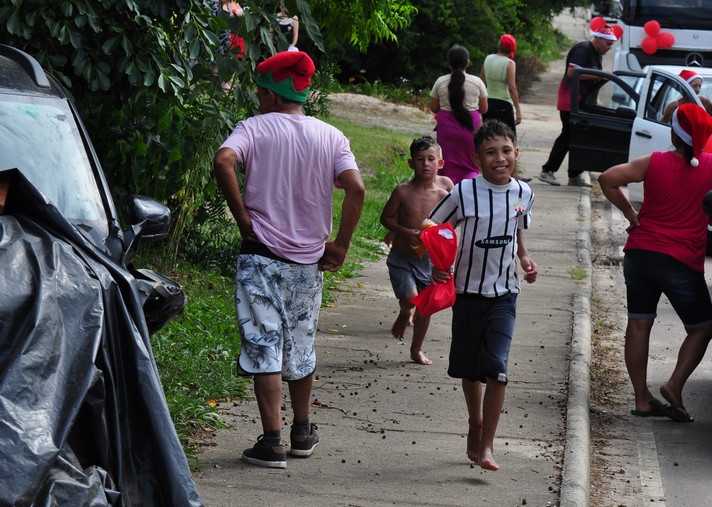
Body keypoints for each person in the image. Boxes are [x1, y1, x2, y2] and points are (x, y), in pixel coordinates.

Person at [213, 51, 366, 469]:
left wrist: (243, 217)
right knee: (299, 344)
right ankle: (302, 430)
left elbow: (224, 161)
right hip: (307, 263)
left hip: (261, 255)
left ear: (269, 94)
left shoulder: (253, 128)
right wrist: (342, 245)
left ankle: (272, 441)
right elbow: (357, 190)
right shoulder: (331, 137)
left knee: (265, 344)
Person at [597, 104, 712, 421]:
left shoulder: (653, 162)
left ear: (673, 133)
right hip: (679, 261)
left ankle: (641, 398)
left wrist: (630, 214)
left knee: (639, 323)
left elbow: (608, 178)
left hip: (640, 253)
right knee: (703, 326)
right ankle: (674, 385)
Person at [427, 119, 538, 471]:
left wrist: (525, 257)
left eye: (506, 151)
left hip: (505, 293)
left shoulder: (524, 193)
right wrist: (437, 264)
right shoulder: (463, 193)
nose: (500, 158)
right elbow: (433, 227)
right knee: (470, 371)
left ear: (516, 153)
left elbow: (518, 230)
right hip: (468, 293)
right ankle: (475, 422)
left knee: (497, 368)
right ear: (477, 160)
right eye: (491, 152)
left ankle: (488, 444)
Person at [379, 135, 452, 365]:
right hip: (402, 258)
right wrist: (402, 231)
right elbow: (386, 218)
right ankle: (404, 312)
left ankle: (416, 349)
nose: (426, 164)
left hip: (429, 262)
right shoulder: (403, 191)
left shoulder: (445, 191)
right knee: (413, 299)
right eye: (420, 159)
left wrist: (446, 256)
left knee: (426, 308)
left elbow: (451, 226)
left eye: (431, 159)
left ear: (440, 163)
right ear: (411, 163)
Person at [537, 25, 618, 187]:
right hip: (570, 100)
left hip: (581, 101)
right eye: (608, 44)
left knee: (578, 137)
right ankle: (547, 170)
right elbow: (571, 73)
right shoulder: (583, 50)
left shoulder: (597, 54)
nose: (610, 48)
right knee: (568, 136)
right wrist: (598, 75)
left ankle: (574, 174)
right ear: (599, 39)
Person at [429, 44, 489, 184]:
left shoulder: (440, 81)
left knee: (446, 161)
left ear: (449, 63)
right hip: (470, 125)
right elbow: (484, 109)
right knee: (471, 162)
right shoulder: (477, 82)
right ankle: (469, 188)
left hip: (446, 126)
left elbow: (434, 107)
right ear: (467, 61)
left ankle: (447, 190)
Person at [480, 34, 522, 132]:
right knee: (509, 137)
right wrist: (518, 111)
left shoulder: (488, 58)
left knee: (488, 136)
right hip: (504, 104)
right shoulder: (510, 63)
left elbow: (481, 82)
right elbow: (512, 88)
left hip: (488, 103)